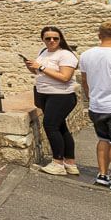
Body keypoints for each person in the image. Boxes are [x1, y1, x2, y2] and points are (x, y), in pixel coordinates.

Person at [25, 26, 79, 175]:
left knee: (50, 125)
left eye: (55, 38)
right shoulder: (43, 52)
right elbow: (38, 71)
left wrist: (40, 67)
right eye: (48, 38)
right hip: (46, 95)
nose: (52, 41)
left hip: (61, 96)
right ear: (43, 39)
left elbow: (65, 77)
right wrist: (32, 66)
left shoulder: (66, 55)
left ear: (60, 38)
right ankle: (70, 163)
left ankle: (57, 163)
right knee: (61, 127)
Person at [79, 21, 111, 192]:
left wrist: (91, 97)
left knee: (103, 140)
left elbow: (84, 82)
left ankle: (102, 175)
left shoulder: (86, 55)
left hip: (96, 106)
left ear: (99, 36)